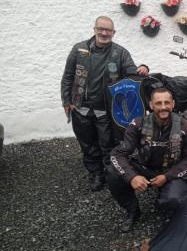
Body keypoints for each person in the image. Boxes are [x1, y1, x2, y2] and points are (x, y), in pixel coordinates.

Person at [61, 16, 149, 192]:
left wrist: (143, 68)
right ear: (94, 29)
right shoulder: (79, 49)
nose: (103, 33)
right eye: (100, 29)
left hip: (106, 110)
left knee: (108, 144)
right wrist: (66, 101)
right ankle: (96, 174)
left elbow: (132, 73)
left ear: (113, 33)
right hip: (80, 108)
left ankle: (112, 175)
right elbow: (68, 76)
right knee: (87, 144)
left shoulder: (120, 53)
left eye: (108, 30)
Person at [106, 87, 187, 232]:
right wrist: (132, 177)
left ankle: (163, 203)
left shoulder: (186, 126)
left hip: (170, 172)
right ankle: (133, 211)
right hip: (143, 170)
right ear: (151, 105)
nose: (163, 107)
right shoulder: (137, 124)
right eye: (158, 103)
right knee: (112, 173)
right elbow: (117, 154)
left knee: (175, 199)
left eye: (167, 103)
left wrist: (167, 177)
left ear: (173, 104)